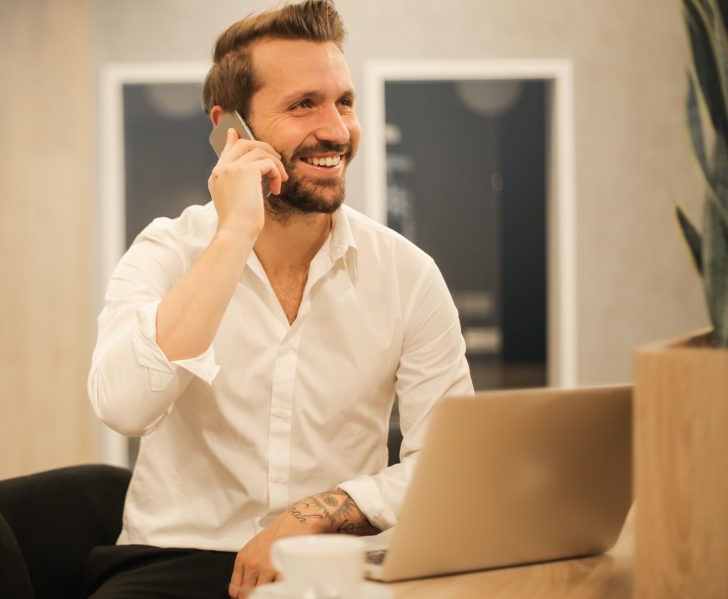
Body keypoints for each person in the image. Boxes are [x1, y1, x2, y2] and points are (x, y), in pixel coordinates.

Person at [87, 1, 472, 597]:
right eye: (303, 105)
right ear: (230, 127)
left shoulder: (408, 275)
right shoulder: (166, 251)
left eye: (343, 101)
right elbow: (124, 408)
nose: (337, 131)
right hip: (174, 563)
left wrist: (314, 512)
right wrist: (234, 233)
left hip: (333, 564)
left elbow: (448, 467)